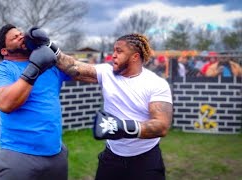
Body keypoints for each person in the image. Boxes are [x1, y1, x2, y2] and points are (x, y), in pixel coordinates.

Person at [27, 30, 173, 180]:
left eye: (119, 51)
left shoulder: (156, 84)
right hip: (112, 157)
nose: (113, 55)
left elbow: (162, 125)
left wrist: (122, 127)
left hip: (146, 159)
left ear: (135, 57)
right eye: (114, 50)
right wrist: (49, 45)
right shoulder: (107, 72)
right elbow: (72, 66)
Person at [0, 24, 70, 180]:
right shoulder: (2, 70)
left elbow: (81, 71)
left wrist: (52, 47)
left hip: (55, 152)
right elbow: (5, 103)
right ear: (4, 51)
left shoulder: (50, 66)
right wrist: (35, 67)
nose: (21, 36)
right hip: (18, 156)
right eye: (14, 37)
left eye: (20, 33)